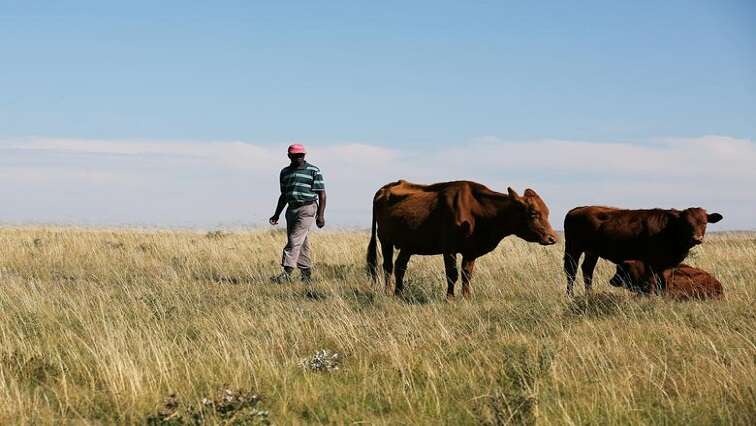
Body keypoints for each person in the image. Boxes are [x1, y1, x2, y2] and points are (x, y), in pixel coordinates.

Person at [269, 144, 326, 283]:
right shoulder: (285, 172)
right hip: (291, 209)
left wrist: (320, 215)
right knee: (301, 242)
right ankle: (306, 275)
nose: (300, 158)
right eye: (296, 155)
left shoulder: (313, 170)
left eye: (302, 155)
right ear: (290, 156)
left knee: (294, 240)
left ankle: (286, 274)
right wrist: (276, 214)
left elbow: (322, 194)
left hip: (307, 208)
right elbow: (283, 195)